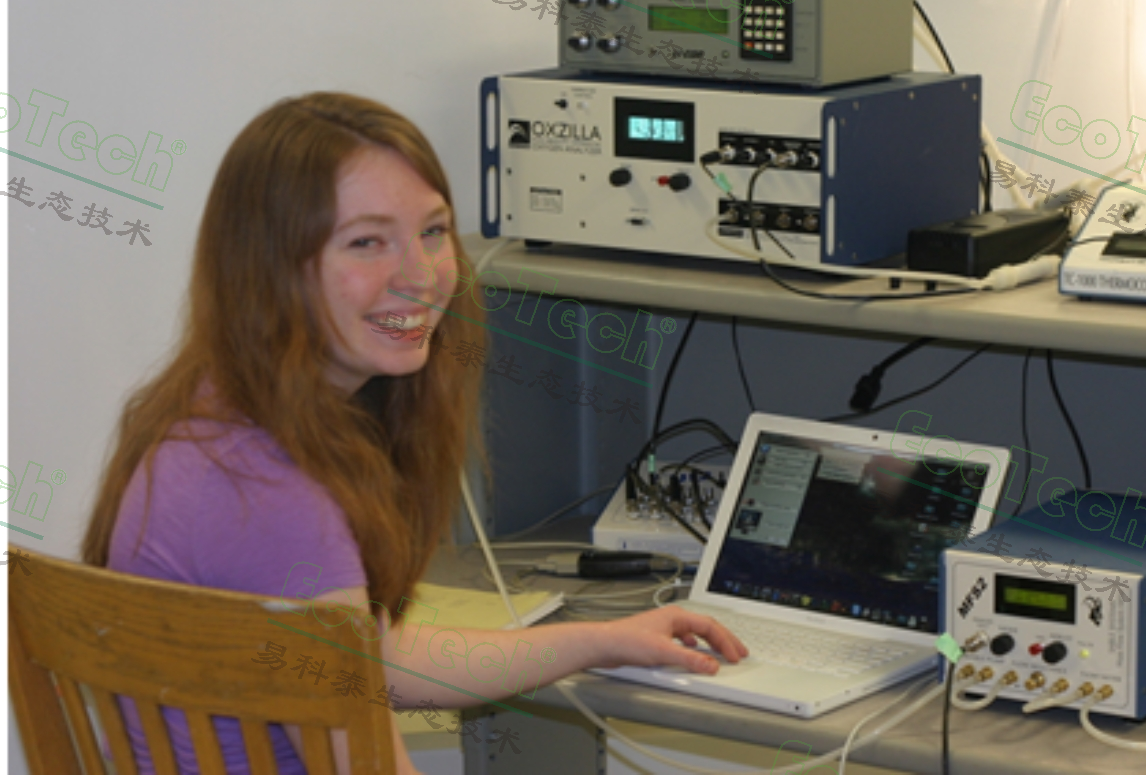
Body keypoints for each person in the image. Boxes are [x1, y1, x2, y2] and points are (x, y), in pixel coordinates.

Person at [81, 93, 746, 775]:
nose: (421, 277)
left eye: (432, 232)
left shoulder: (207, 419)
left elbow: (381, 661)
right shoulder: (272, 494)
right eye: (366, 242)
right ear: (268, 268)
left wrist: (599, 641)